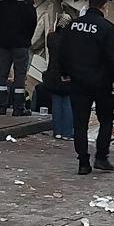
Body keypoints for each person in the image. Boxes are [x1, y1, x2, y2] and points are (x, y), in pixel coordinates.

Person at [58, 0, 114, 174]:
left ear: (89, 5)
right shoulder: (107, 28)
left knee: (80, 123)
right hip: (101, 83)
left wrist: (65, 72)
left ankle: (83, 162)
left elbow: (62, 52)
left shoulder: (72, 26)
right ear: (104, 6)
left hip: (78, 82)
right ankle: (101, 157)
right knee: (106, 120)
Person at [0, 0, 38, 116]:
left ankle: (1, 107)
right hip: (21, 43)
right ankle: (18, 108)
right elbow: (33, 21)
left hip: (4, 43)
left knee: (2, 74)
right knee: (20, 75)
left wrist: (0, 35)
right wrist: (26, 37)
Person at [43, 12, 74, 140]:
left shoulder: (51, 37)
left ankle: (57, 131)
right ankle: (67, 132)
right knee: (67, 103)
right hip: (66, 75)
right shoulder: (71, 40)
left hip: (52, 74)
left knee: (56, 103)